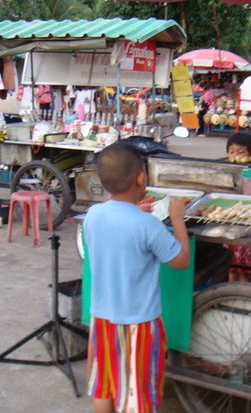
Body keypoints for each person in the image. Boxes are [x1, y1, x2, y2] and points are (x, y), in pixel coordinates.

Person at [83, 142, 190, 413]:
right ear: (141, 178)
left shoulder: (93, 215)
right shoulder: (148, 225)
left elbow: (119, 224)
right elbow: (180, 260)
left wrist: (138, 212)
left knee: (104, 383)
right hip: (139, 324)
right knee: (138, 394)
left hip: (102, 318)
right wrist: (178, 219)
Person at [225, 132, 251, 282]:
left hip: (248, 224)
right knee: (231, 264)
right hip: (231, 224)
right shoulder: (227, 170)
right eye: (231, 152)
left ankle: (244, 289)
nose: (235, 156)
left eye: (241, 152)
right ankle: (230, 289)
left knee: (245, 266)